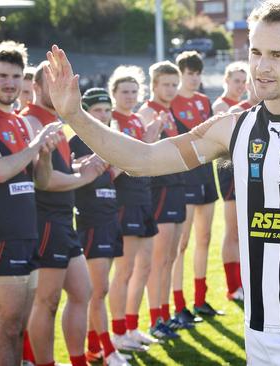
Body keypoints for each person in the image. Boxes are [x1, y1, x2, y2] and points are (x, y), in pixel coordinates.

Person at [43, 0, 280, 364]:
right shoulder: (236, 128)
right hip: (258, 328)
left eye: (277, 55)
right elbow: (143, 160)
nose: (262, 67)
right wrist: (75, 115)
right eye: (256, 52)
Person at [0, 41, 62, 366]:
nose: (10, 83)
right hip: (2, 237)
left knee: (19, 329)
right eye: (3, 75)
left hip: (28, 234)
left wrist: (44, 154)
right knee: (5, 329)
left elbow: (41, 182)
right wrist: (36, 144)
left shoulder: (20, 121)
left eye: (16, 76)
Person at [21, 61, 106, 366]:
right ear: (37, 87)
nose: (58, 88)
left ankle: (78, 360)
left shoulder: (55, 122)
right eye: (51, 82)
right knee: (47, 301)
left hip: (62, 220)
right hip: (44, 221)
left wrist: (80, 166)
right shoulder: (30, 121)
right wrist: (82, 178)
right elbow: (41, 180)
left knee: (83, 292)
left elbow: (58, 170)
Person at [69, 87, 132, 365]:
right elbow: (67, 171)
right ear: (85, 111)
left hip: (109, 217)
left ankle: (94, 346)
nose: (104, 115)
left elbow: (110, 175)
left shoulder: (109, 140)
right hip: (90, 220)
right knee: (97, 290)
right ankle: (107, 350)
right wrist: (86, 163)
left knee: (100, 289)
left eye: (107, 110)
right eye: (97, 110)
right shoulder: (76, 140)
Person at [106, 65, 164, 349]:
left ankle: (131, 326)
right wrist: (145, 141)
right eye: (124, 92)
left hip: (144, 198)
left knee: (144, 267)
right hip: (124, 201)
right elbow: (121, 161)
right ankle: (117, 332)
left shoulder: (137, 121)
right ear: (113, 93)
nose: (129, 96)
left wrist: (150, 138)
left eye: (133, 92)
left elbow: (144, 159)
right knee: (125, 269)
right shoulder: (111, 121)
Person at [137, 61, 191, 337]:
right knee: (159, 258)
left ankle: (165, 313)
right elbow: (143, 152)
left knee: (171, 255)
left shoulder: (169, 112)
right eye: (165, 84)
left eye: (174, 84)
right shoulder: (147, 112)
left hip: (177, 187)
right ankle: (155, 318)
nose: (170, 89)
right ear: (154, 85)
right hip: (160, 190)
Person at [170, 51, 224, 318]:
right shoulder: (172, 101)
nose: (194, 78)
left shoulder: (204, 101)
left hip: (205, 175)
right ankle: (179, 305)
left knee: (205, 238)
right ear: (181, 73)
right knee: (181, 244)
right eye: (189, 73)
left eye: (197, 73)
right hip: (183, 178)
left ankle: (200, 299)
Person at [212, 63, 248, 302]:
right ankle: (233, 286)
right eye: (236, 80)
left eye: (244, 81)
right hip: (230, 169)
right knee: (233, 229)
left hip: (247, 168)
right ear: (226, 80)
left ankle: (244, 283)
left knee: (247, 230)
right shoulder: (222, 106)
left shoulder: (249, 106)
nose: (241, 86)